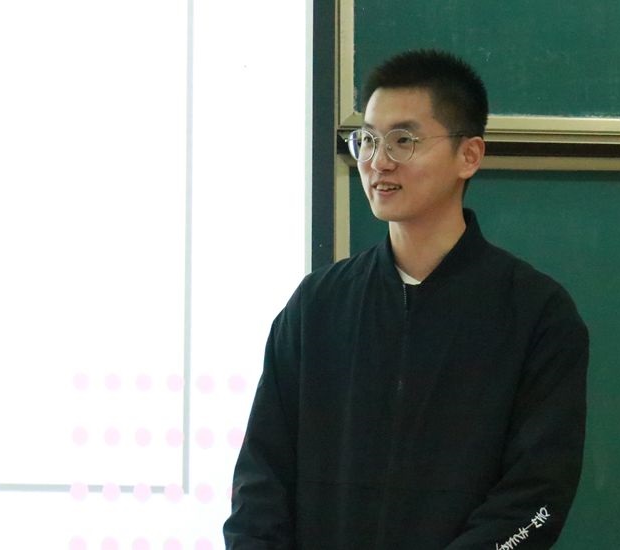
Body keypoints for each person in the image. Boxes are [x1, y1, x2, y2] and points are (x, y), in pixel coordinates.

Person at [224, 49, 588, 549]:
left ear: (469, 156)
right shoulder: (318, 306)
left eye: (403, 140)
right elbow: (260, 480)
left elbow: (537, 498)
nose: (378, 162)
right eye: (367, 140)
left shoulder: (535, 314)